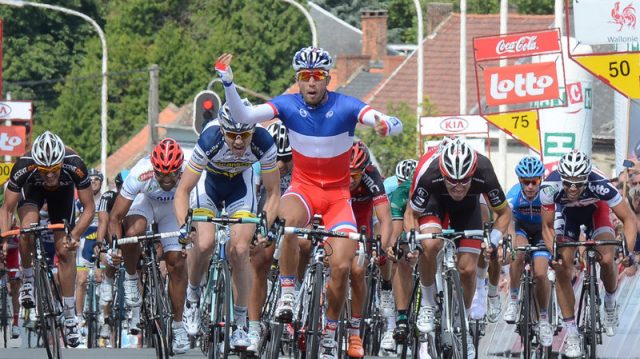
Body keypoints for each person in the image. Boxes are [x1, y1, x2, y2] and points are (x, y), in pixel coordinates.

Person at [213, 47, 402, 358]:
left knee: (341, 267)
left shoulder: (345, 106)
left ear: (327, 78)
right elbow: (245, 116)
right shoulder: (288, 105)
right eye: (304, 77)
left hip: (338, 198)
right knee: (286, 223)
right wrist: (228, 83)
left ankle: (329, 333)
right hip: (304, 189)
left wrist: (385, 124)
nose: (311, 83)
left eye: (317, 76)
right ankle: (288, 291)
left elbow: (389, 121)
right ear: (297, 81)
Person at [174, 101, 280, 352]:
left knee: (241, 250)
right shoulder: (210, 138)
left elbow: (274, 193)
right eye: (233, 135)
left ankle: (241, 323)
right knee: (204, 242)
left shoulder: (263, 141)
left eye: (245, 134)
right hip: (208, 186)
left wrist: (264, 226)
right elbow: (183, 190)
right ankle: (192, 297)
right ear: (223, 130)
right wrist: (183, 226)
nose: (240, 142)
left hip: (240, 187)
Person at [406, 137, 512, 359]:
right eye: (452, 181)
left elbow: (504, 214)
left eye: (464, 181)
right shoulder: (430, 172)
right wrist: (412, 237)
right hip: (434, 203)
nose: (458, 186)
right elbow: (411, 213)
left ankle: (461, 323)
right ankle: (427, 304)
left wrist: (492, 239)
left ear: (472, 173)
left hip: (467, 209)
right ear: (443, 173)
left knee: (467, 269)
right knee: (430, 244)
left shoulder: (484, 170)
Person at [0, 131, 95, 347]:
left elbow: (89, 208)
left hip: (63, 194)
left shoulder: (75, 165)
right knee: (27, 230)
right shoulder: (24, 165)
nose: (50, 176)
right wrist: (4, 241)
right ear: (37, 165)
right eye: (44, 171)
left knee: (64, 250)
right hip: (32, 192)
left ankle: (70, 315)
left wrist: (75, 235)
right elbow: (7, 209)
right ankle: (28, 278)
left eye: (54, 170)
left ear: (62, 162)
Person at [540, 150, 637, 358]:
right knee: (562, 268)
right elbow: (547, 227)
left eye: (578, 183)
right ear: (561, 178)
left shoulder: (600, 183)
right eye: (568, 183)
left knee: (608, 257)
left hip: (596, 210)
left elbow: (629, 219)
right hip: (567, 214)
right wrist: (553, 252)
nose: (573, 188)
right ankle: (572, 333)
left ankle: (610, 300)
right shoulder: (549, 187)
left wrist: (627, 251)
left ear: (587, 178)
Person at [107, 138, 190, 354]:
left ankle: (178, 325)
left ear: (179, 169)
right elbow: (115, 216)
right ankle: (132, 278)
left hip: (174, 208)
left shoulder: (191, 171)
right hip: (146, 202)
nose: (166, 179)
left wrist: (190, 235)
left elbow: (196, 212)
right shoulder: (140, 173)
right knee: (133, 232)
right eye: (161, 173)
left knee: (177, 261)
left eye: (171, 174)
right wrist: (115, 247)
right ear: (153, 168)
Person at [246, 120, 291, 352]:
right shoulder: (256, 165)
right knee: (259, 260)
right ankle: (254, 326)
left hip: (289, 212)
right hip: (262, 208)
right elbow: (252, 200)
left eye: (287, 158)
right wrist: (255, 233)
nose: (281, 165)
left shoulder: (300, 166)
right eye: (277, 158)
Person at [346, 141, 393, 357]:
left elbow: (385, 219)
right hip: (338, 217)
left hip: (361, 222)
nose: (350, 180)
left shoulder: (372, 177)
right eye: (347, 173)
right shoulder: (334, 173)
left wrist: (381, 247)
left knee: (358, 270)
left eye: (355, 175)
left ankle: (355, 330)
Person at [503, 156, 553, 346]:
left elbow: (555, 222)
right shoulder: (514, 194)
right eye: (526, 182)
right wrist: (509, 241)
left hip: (542, 232)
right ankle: (514, 300)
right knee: (519, 251)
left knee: (540, 274)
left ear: (541, 179)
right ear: (519, 181)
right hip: (521, 229)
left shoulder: (549, 193)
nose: (531, 186)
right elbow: (507, 221)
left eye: (535, 181)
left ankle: (543, 320)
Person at [96, 169, 129, 340]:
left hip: (130, 235)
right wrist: (100, 243)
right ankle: (107, 320)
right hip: (112, 234)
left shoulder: (137, 195)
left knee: (139, 268)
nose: (124, 189)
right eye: (121, 186)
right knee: (112, 258)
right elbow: (103, 221)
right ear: (116, 186)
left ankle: (136, 312)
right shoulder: (108, 197)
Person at [74, 168, 105, 333]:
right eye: (90, 180)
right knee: (81, 280)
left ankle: (104, 313)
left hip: (100, 240)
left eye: (96, 180)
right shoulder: (80, 201)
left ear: (101, 182)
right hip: (85, 241)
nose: (93, 182)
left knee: (104, 276)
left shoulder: (106, 200)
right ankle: (78, 317)